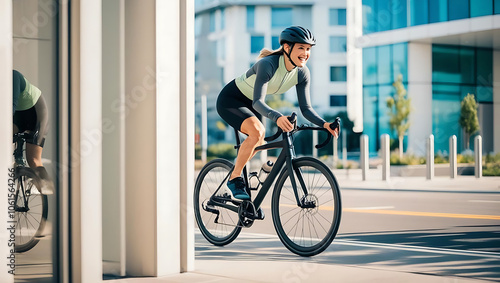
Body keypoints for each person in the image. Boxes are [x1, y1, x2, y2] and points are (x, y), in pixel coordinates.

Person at [216, 26, 339, 201]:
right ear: (287, 48)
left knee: (258, 139)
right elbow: (258, 101)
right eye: (301, 48)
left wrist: (324, 124)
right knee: (257, 132)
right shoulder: (268, 64)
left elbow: (306, 109)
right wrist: (278, 117)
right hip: (231, 100)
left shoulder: (302, 73)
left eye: (308, 49)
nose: (305, 53)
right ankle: (235, 178)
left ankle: (240, 175)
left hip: (252, 105)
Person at [13, 69, 54, 195]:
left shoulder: (13, 76)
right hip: (18, 116)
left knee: (34, 160)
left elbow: (11, 105)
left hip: (36, 113)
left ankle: (46, 187)